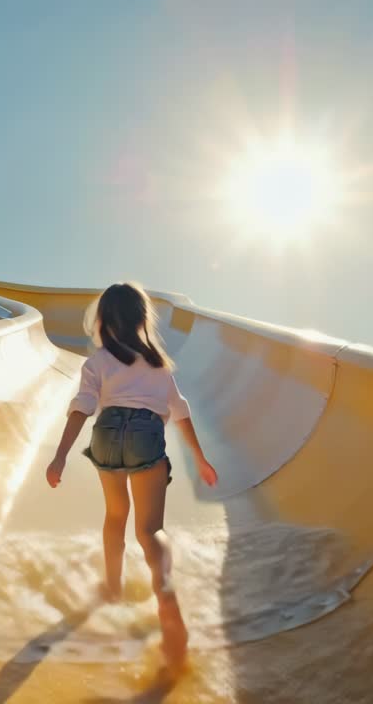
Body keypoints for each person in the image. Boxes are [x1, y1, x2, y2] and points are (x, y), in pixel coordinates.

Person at [45, 282, 218, 672]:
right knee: (150, 529)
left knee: (115, 516)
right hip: (145, 435)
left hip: (106, 434)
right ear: (143, 320)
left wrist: (59, 457)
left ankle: (112, 587)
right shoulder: (159, 366)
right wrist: (201, 459)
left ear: (103, 321)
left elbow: (82, 408)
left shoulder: (98, 363)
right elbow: (181, 412)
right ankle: (167, 595)